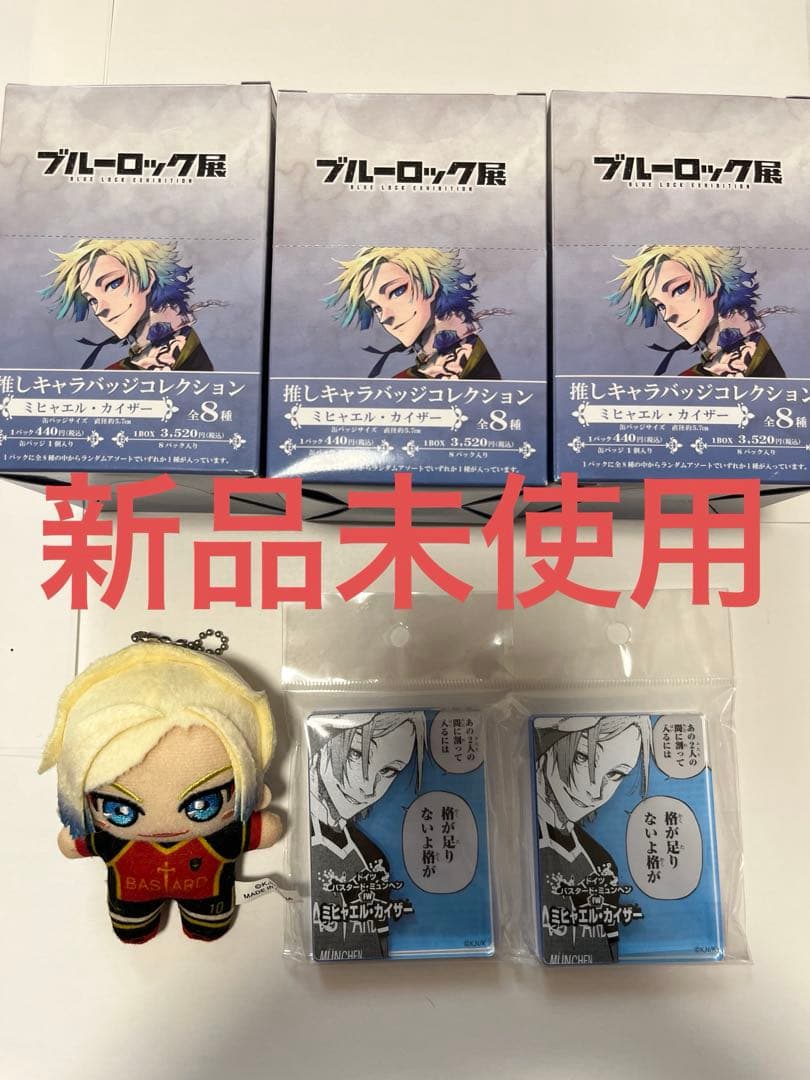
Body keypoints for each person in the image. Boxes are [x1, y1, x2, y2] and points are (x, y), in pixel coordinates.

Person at [39, 638, 282, 943]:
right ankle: (140, 925)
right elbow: (74, 842)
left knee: (208, 923)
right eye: (119, 810)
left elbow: (264, 830)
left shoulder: (225, 835)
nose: (163, 825)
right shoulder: (222, 835)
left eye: (203, 804)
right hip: (133, 900)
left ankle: (201, 924)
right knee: (133, 925)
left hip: (209, 899)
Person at [534, 714, 652, 963]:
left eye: (616, 774)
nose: (595, 790)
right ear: (548, 742)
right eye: (582, 757)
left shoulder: (601, 865)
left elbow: (607, 957)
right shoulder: (513, 841)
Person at [308, 710, 426, 959]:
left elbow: (377, 953)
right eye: (356, 754)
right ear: (323, 741)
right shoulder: (301, 835)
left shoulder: (373, 861)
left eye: (389, 770)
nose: (368, 787)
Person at [324, 246, 503, 379]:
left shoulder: (483, 356)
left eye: (397, 291)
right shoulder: (405, 380)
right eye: (376, 308)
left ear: (431, 286)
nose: (385, 317)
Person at [608, 244, 787, 377]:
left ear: (714, 282)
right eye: (660, 305)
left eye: (679, 289)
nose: (668, 315)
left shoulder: (761, 350)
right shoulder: (696, 375)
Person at [41, 238, 214, 371]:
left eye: (113, 284)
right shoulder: (123, 369)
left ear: (147, 279)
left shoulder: (186, 352)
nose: (100, 309)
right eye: (92, 300)